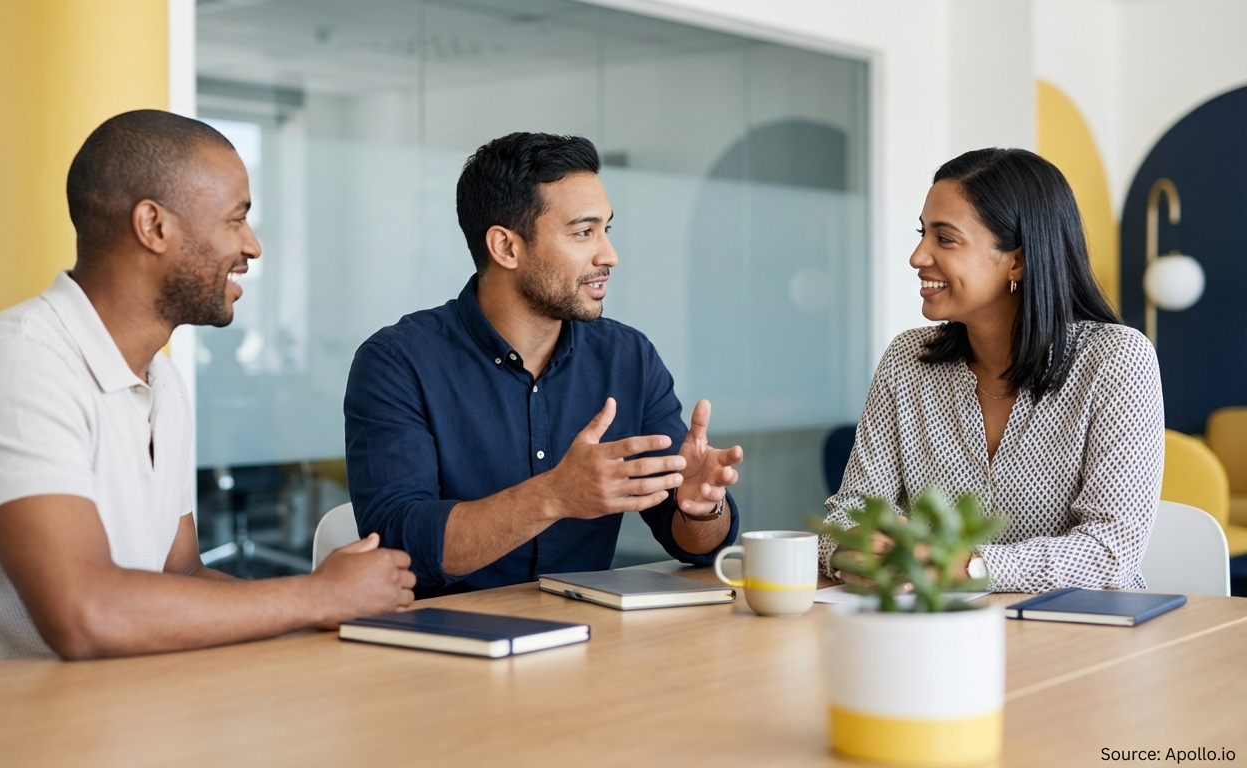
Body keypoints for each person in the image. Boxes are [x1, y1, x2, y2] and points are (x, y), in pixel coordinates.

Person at [0, 110, 414, 677]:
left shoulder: (163, 384)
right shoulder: (19, 364)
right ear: (153, 226)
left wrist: (326, 611)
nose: (252, 247)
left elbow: (179, 574)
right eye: (236, 220)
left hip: (102, 719)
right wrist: (318, 597)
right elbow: (84, 611)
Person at [344, 132, 743, 597]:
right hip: (443, 649)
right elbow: (398, 547)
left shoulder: (627, 358)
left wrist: (699, 510)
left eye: (606, 230)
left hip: (588, 641)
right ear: (506, 247)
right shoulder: (397, 363)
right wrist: (555, 495)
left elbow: (693, 545)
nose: (608, 255)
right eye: (582, 232)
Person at [819, 148, 1163, 593]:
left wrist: (967, 568)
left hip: (1084, 634)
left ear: (1016, 260)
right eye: (923, 234)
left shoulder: (1116, 359)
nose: (917, 256)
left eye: (945, 239)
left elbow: (1111, 550)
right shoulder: (907, 361)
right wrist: (856, 554)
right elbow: (846, 515)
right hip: (937, 631)